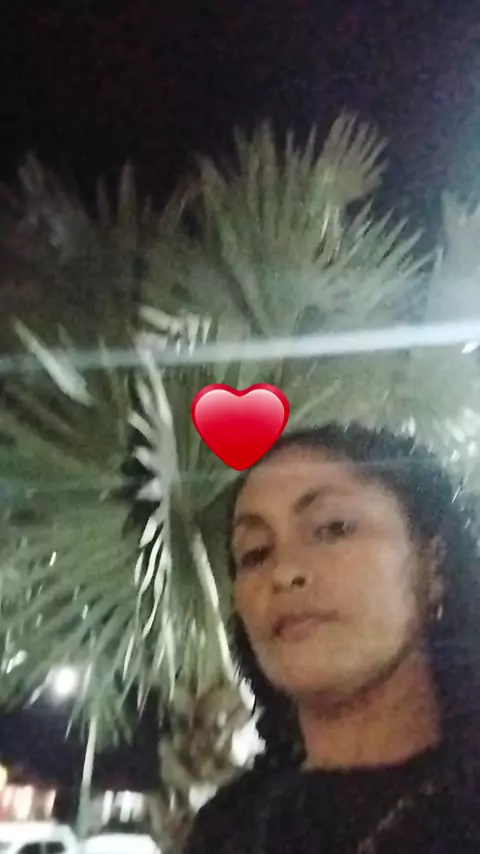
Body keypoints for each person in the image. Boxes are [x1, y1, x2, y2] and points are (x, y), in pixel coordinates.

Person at [184, 422, 480, 853]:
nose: (284, 571)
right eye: (255, 553)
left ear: (433, 565)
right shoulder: (227, 829)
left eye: (333, 528)